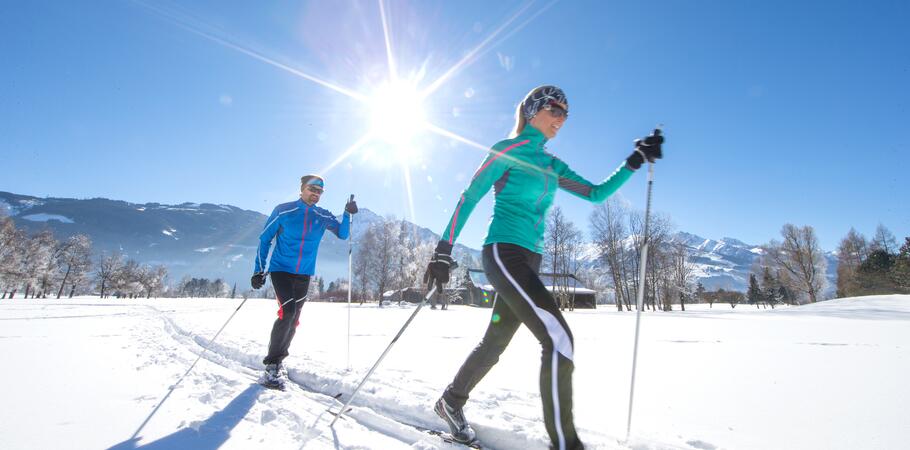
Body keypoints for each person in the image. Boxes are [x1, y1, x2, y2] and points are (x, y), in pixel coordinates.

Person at [423, 85, 663, 449]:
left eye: (567, 114)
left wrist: (634, 160)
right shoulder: (508, 150)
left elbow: (594, 193)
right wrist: (444, 249)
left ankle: (450, 402)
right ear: (533, 110)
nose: (562, 119)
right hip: (504, 253)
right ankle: (566, 443)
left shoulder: (551, 165)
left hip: (531, 260)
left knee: (495, 342)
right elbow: (469, 195)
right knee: (558, 339)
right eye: (556, 110)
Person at [252, 174, 358, 390]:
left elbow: (343, 234)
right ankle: (271, 365)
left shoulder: (322, 215)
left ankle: (278, 360)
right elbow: (265, 239)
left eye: (320, 191)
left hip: (305, 274)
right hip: (280, 269)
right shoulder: (284, 210)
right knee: (287, 312)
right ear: (301, 189)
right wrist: (258, 270)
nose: (315, 194)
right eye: (312, 189)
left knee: (294, 318)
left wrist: (347, 214)